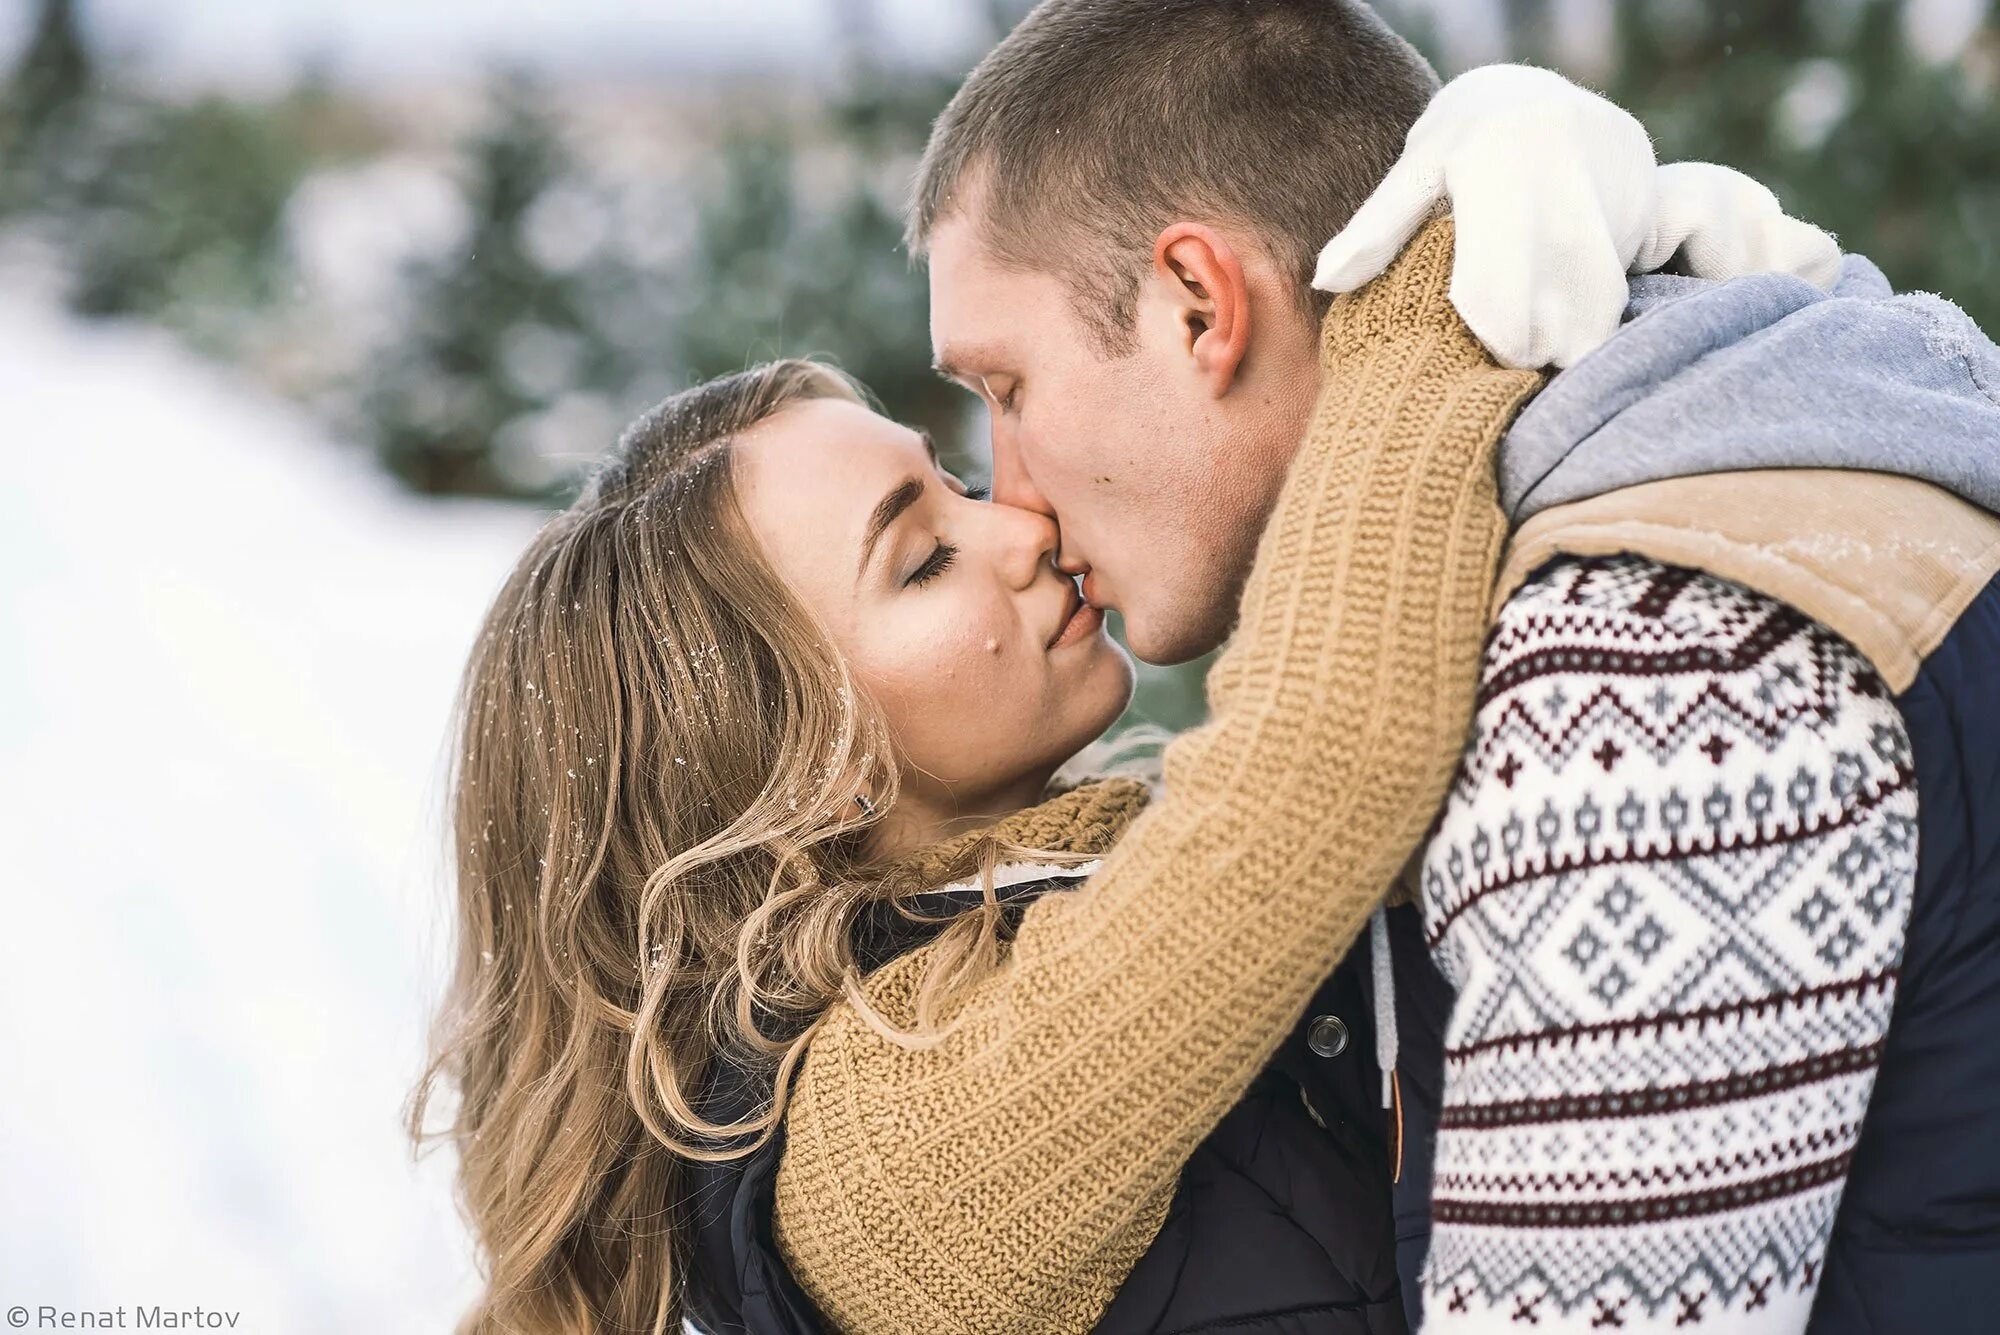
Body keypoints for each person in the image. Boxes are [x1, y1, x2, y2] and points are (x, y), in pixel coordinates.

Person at [905, 1, 2000, 1332]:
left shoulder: (1636, 684)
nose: (1012, 498)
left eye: (1008, 389)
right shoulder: (1725, 464)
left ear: (1200, 305)